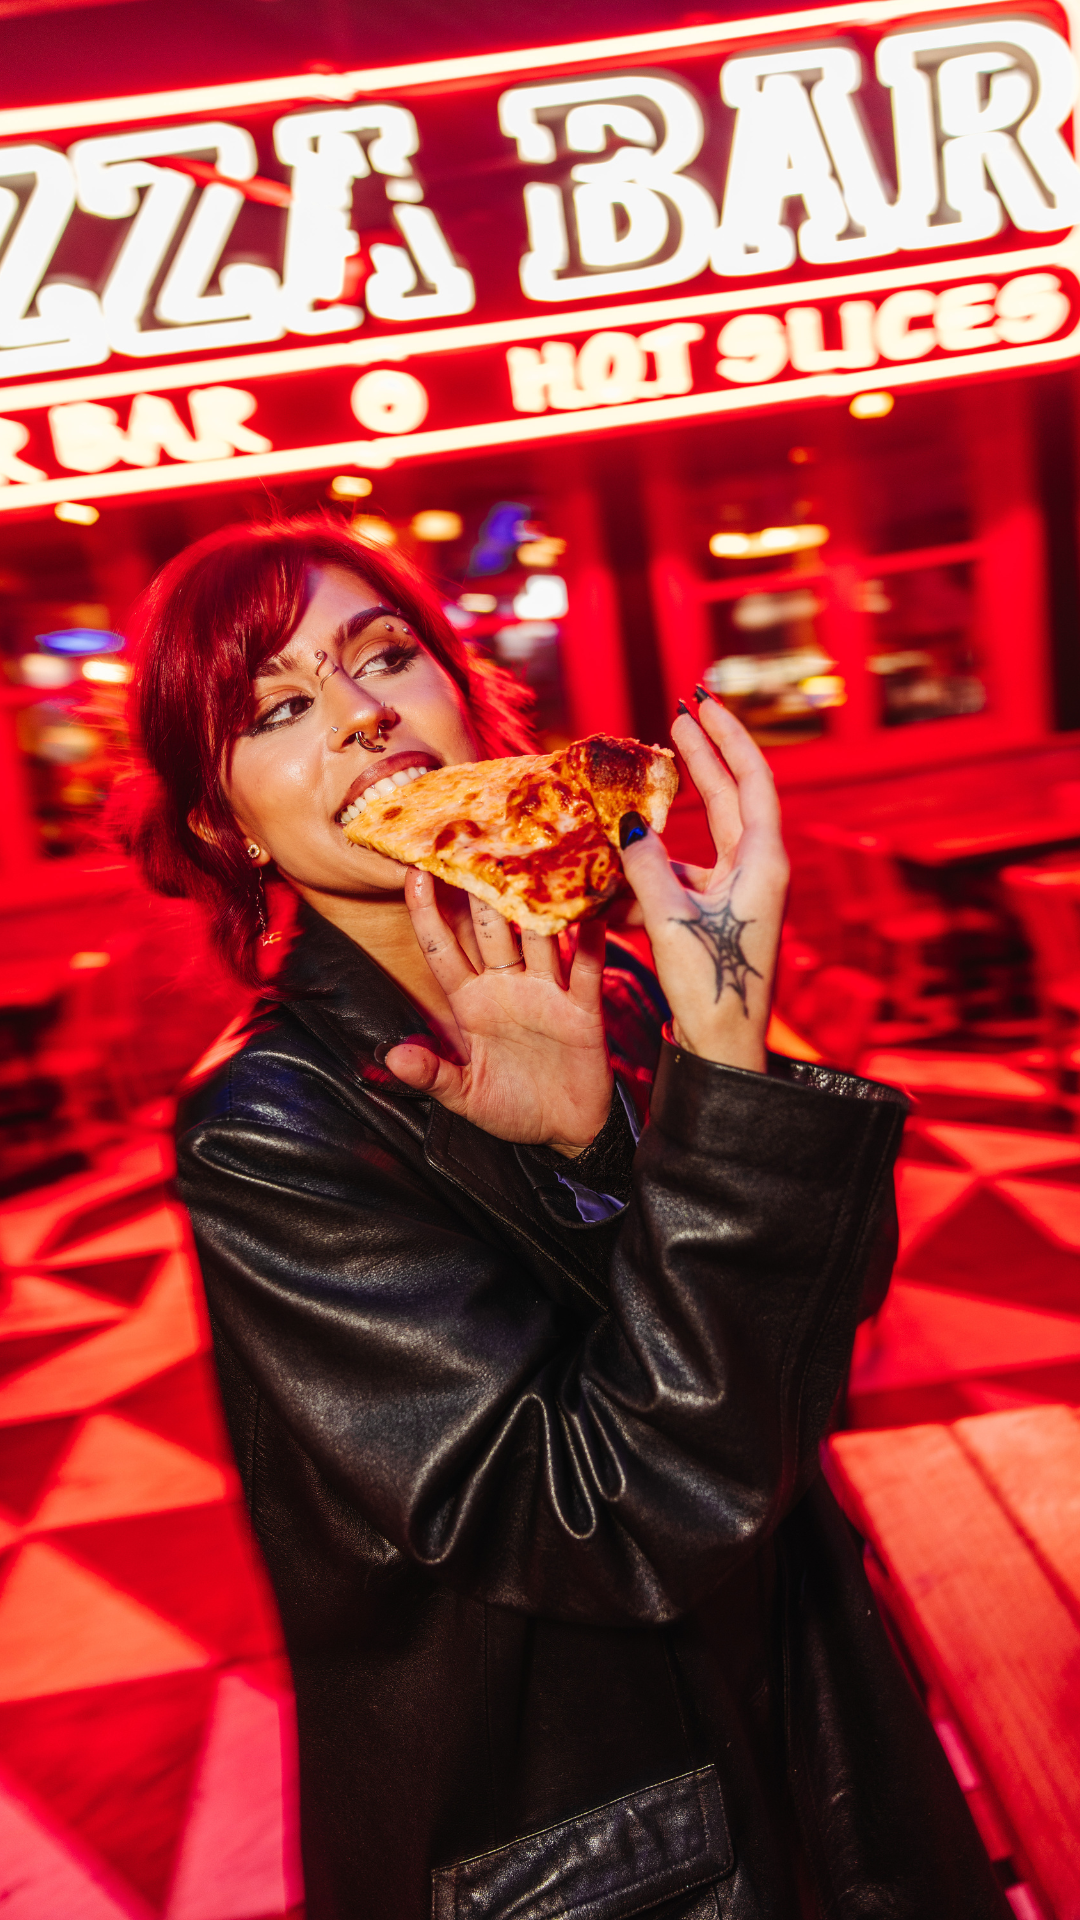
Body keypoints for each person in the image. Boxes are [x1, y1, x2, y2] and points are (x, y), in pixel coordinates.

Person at [123, 516, 1007, 1920]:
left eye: (387, 658)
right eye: (278, 708)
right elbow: (603, 1524)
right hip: (601, 1847)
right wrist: (715, 1103)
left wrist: (645, 1118)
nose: (360, 716)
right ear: (226, 820)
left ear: (470, 704)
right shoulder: (276, 1123)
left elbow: (797, 1367)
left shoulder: (617, 989)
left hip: (806, 1719)